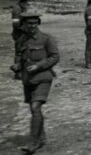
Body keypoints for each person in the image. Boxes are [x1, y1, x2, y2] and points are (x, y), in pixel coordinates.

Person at [13, 11, 59, 154]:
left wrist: (39, 65)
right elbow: (19, 55)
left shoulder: (46, 39)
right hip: (28, 79)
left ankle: (33, 142)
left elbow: (55, 56)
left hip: (43, 77)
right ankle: (42, 137)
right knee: (35, 110)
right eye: (29, 24)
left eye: (34, 23)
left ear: (38, 23)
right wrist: (17, 66)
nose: (32, 26)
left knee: (35, 107)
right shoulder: (21, 39)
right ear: (24, 25)